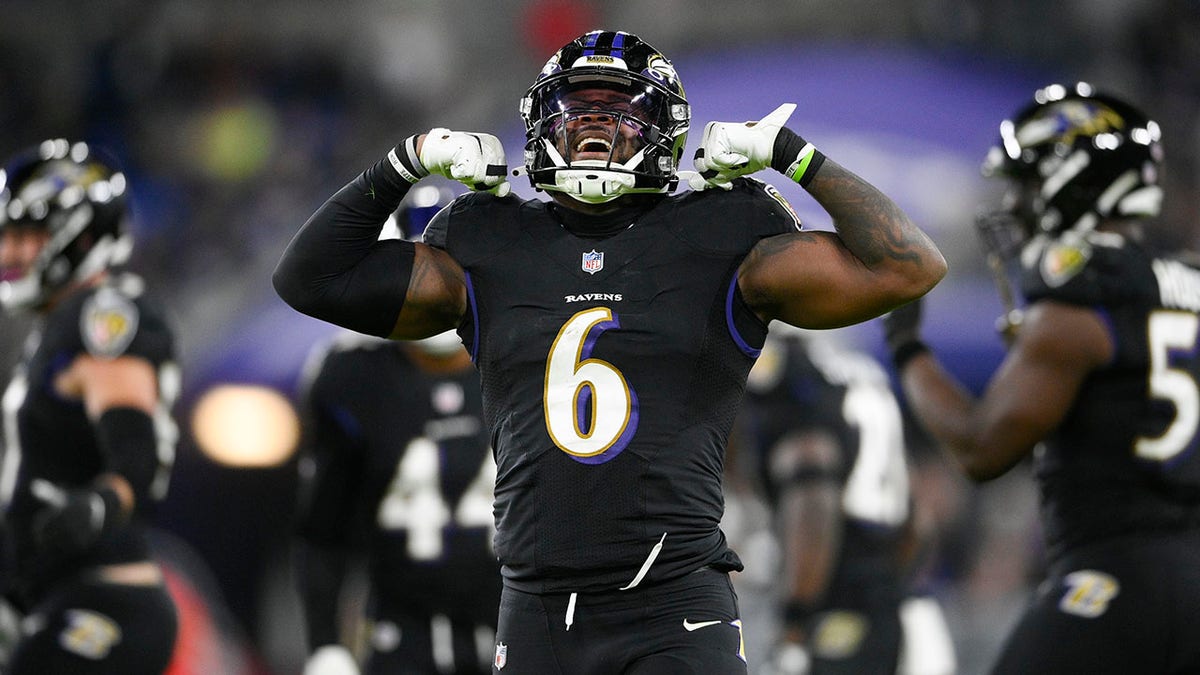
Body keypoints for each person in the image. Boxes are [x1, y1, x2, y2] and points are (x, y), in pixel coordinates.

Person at [274, 29, 946, 675]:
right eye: (575, 111)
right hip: (536, 606)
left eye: (620, 112)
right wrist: (408, 159)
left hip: (676, 600)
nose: (594, 128)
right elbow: (309, 278)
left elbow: (908, 266)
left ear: (665, 129)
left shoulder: (722, 231)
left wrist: (791, 152)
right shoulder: (489, 238)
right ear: (540, 125)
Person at [883, 82, 1200, 674]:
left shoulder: (1083, 298)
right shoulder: (1182, 280)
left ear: (1070, 179)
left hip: (1116, 579)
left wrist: (907, 346)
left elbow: (980, 450)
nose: (1017, 204)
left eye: (1026, 184)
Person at [293, 184, 500, 675]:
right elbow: (322, 530)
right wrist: (324, 642)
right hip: (402, 632)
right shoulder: (352, 376)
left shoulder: (531, 355)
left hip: (525, 622)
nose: (438, 286)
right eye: (420, 270)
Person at [0, 139, 181, 673]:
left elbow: (134, 453)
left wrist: (100, 504)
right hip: (47, 597)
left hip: (105, 599)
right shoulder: (54, 328)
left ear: (78, 236)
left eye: (28, 235)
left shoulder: (102, 314)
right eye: (7, 236)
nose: (10, 252)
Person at [732, 328, 955, 675]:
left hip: (831, 608)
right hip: (889, 601)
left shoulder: (790, 373)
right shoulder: (860, 370)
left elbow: (812, 484)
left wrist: (795, 622)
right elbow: (918, 516)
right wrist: (888, 587)